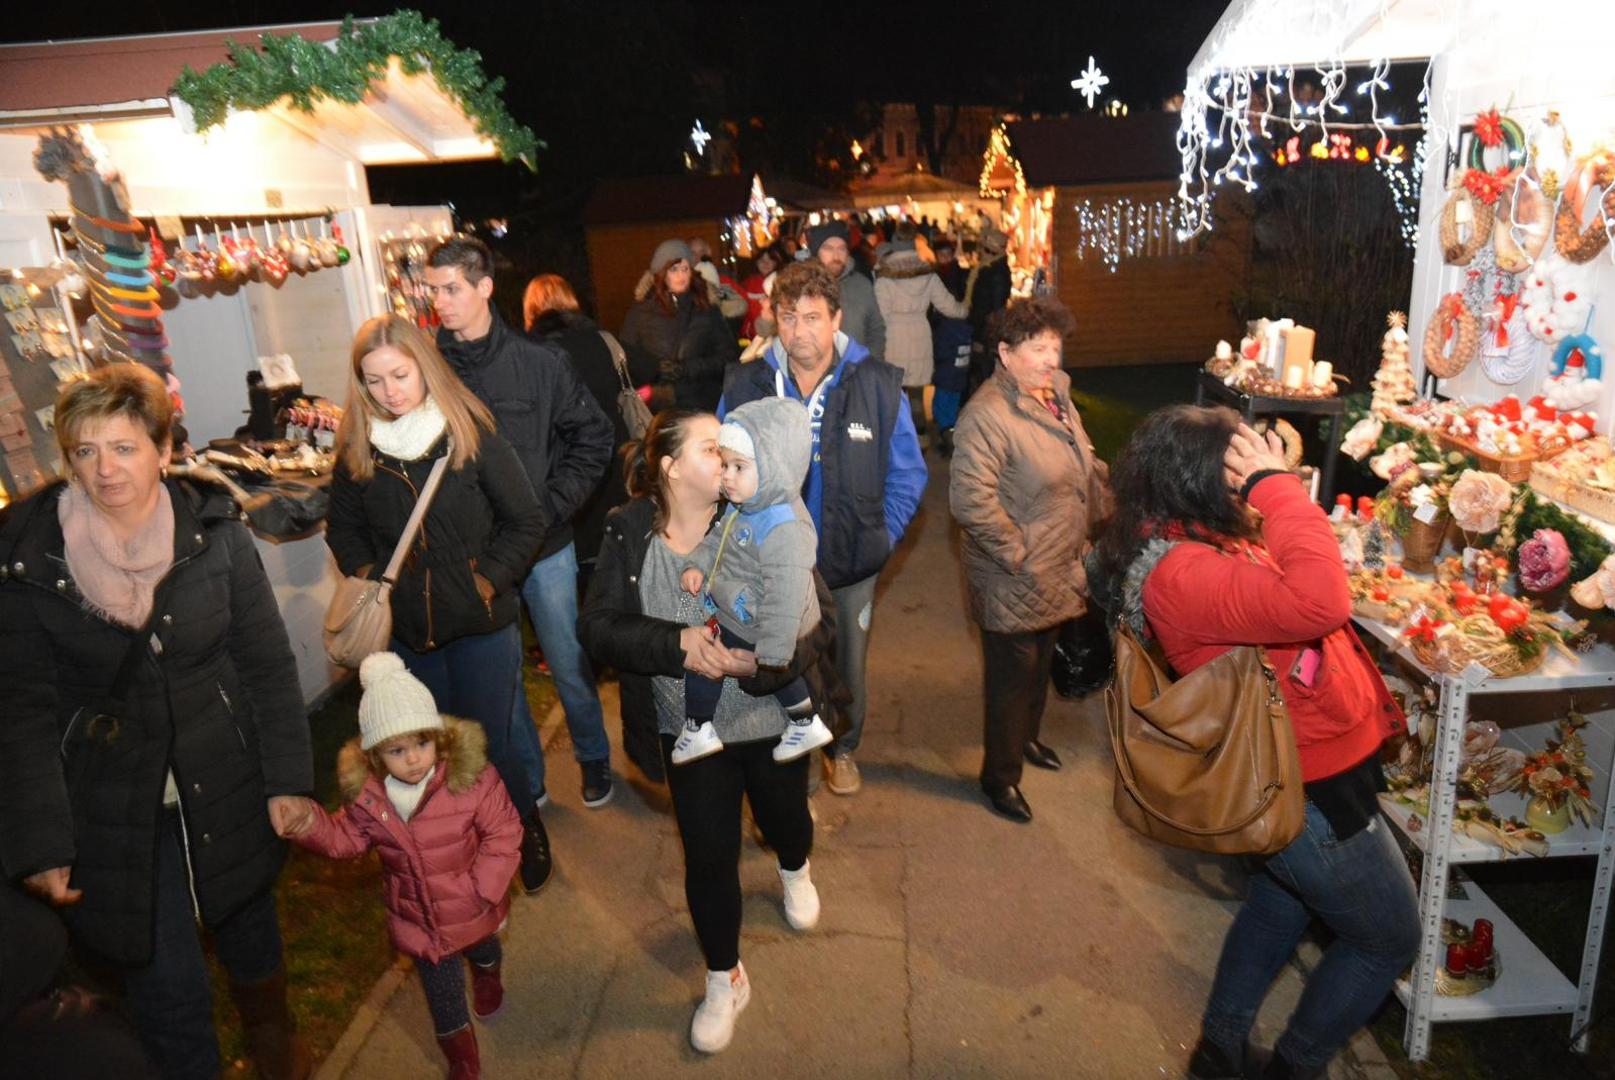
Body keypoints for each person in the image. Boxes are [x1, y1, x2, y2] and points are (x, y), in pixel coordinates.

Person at [0, 363, 315, 1080]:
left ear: (164, 449)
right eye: (85, 450)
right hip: (115, 803)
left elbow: (265, 664)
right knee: (165, 985)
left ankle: (275, 1048)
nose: (104, 470)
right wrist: (42, 839)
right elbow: (21, 710)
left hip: (225, 773)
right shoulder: (28, 563)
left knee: (249, 930)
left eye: (124, 447)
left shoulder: (215, 536)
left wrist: (288, 778)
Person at [1087, 406, 1420, 1080]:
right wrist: (1276, 488)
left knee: (1280, 902)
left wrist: (1273, 483)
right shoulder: (1183, 573)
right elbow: (1320, 601)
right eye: (1232, 467)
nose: (1245, 478)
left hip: (1300, 762)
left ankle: (1219, 1048)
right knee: (1387, 939)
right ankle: (1294, 1066)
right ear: (1201, 481)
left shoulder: (1192, 535)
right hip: (1304, 781)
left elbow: (1293, 575)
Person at [577, 410, 835, 1054]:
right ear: (668, 467)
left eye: (730, 453)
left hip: (770, 715)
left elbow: (819, 618)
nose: (728, 462)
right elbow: (598, 628)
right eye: (712, 451)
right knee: (709, 855)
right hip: (689, 730)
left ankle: (793, 865)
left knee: (784, 819)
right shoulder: (628, 531)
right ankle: (725, 976)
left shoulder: (758, 511)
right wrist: (677, 643)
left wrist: (769, 656)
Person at [325, 314, 552, 894]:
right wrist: (376, 581)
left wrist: (486, 582)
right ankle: (454, 850)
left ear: (424, 366)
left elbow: (525, 520)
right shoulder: (357, 446)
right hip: (405, 637)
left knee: (490, 743)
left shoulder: (467, 429)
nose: (389, 391)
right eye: (373, 381)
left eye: (399, 375)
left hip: (480, 626)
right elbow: (344, 531)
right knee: (428, 756)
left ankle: (521, 827)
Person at [719, 261, 927, 797]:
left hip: (849, 558)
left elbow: (907, 471)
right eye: (788, 318)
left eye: (813, 317)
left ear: (836, 319)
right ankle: (792, 766)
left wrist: (881, 538)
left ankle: (843, 749)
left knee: (846, 665)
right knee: (777, 661)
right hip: (770, 559)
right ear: (775, 321)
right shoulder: (748, 382)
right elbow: (721, 461)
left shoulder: (877, 385)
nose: (800, 331)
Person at [427, 238, 618, 811]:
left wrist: (551, 506)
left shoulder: (539, 363)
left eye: (451, 289)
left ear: (485, 287)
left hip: (545, 547)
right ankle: (527, 783)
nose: (439, 301)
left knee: (567, 661)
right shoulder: (429, 373)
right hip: (476, 556)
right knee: (500, 680)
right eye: (432, 289)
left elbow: (595, 437)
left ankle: (593, 758)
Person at [289, 652, 523, 1080]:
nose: (414, 758)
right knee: (442, 995)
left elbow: (504, 831)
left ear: (439, 737)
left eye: (422, 743)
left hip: (472, 904)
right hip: (420, 919)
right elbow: (347, 840)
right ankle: (461, 1055)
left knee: (483, 945)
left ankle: (489, 975)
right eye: (397, 750)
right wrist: (310, 825)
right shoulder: (369, 799)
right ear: (376, 756)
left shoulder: (471, 780)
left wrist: (484, 888)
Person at [949, 298, 1112, 823]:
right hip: (1013, 573)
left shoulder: (1056, 396)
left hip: (1059, 563)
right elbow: (970, 500)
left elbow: (1080, 460)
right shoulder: (987, 415)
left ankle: (1028, 741)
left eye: (1055, 346)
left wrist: (1097, 514)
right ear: (1004, 352)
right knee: (1011, 681)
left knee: (1041, 663)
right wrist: (1018, 551)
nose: (1049, 358)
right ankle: (1000, 778)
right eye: (1036, 348)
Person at [673, 397, 833, 765]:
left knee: (705, 660)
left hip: (755, 619)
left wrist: (773, 655)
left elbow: (787, 595)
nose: (726, 475)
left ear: (775, 468)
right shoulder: (745, 506)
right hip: (749, 610)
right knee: (778, 681)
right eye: (725, 464)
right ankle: (806, 721)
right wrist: (698, 564)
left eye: (739, 467)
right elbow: (716, 540)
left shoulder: (784, 529)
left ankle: (698, 728)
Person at [522, 272, 659, 591]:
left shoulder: (529, 352)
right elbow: (650, 366)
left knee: (577, 565)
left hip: (564, 464)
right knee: (620, 552)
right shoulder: (601, 340)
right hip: (615, 456)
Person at [874, 223, 968, 450]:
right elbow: (948, 306)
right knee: (916, 394)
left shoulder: (884, 277)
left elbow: (881, 315)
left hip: (894, 338)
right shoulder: (928, 274)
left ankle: (897, 444)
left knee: (895, 393)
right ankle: (921, 440)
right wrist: (966, 310)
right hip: (920, 335)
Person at [620, 240, 740, 413]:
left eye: (686, 269)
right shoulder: (641, 312)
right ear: (661, 272)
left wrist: (689, 368)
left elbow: (728, 357)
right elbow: (627, 358)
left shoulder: (707, 309)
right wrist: (657, 369)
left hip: (702, 402)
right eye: (674, 269)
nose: (681, 275)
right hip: (659, 406)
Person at [807, 220, 886, 363]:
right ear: (816, 252)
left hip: (856, 373)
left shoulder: (861, 284)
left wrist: (870, 363)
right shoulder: (801, 284)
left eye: (842, 248)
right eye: (828, 248)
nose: (836, 256)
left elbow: (876, 329)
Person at [928, 235, 973, 454]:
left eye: (947, 254)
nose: (944, 258)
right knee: (949, 388)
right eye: (941, 254)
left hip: (947, 340)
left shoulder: (958, 275)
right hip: (950, 344)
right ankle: (947, 426)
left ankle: (946, 428)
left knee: (947, 389)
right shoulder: (936, 275)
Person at [964, 223, 1013, 401]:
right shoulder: (989, 269)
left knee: (984, 374)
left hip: (985, 334)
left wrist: (982, 339)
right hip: (982, 331)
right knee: (980, 373)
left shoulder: (995, 273)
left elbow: (992, 310)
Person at [741, 245, 784, 340]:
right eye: (762, 260)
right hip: (753, 336)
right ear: (756, 263)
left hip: (778, 335)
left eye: (770, 260)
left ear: (776, 263)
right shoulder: (748, 284)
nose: (766, 263)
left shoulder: (783, 283)